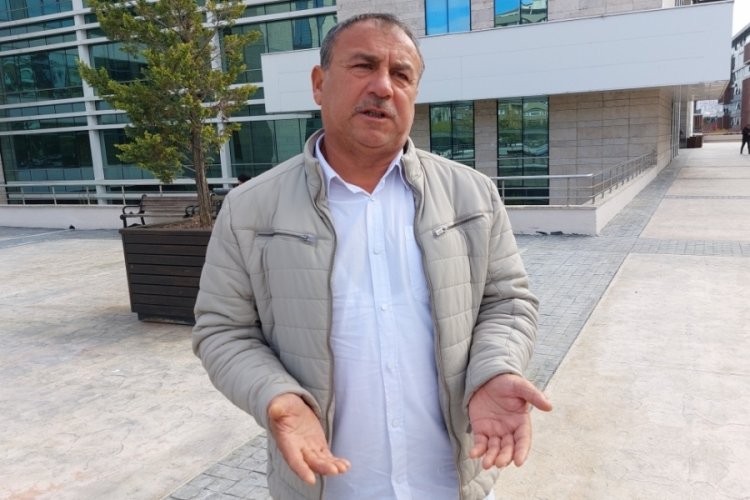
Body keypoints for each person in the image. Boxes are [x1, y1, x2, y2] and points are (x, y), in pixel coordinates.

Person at [193, 13, 552, 500]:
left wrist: (496, 370)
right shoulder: (250, 209)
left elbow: (507, 302)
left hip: (452, 483)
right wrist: (278, 397)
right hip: (325, 487)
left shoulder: (471, 195)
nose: (383, 87)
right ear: (319, 84)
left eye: (401, 74)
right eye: (363, 66)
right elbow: (223, 330)